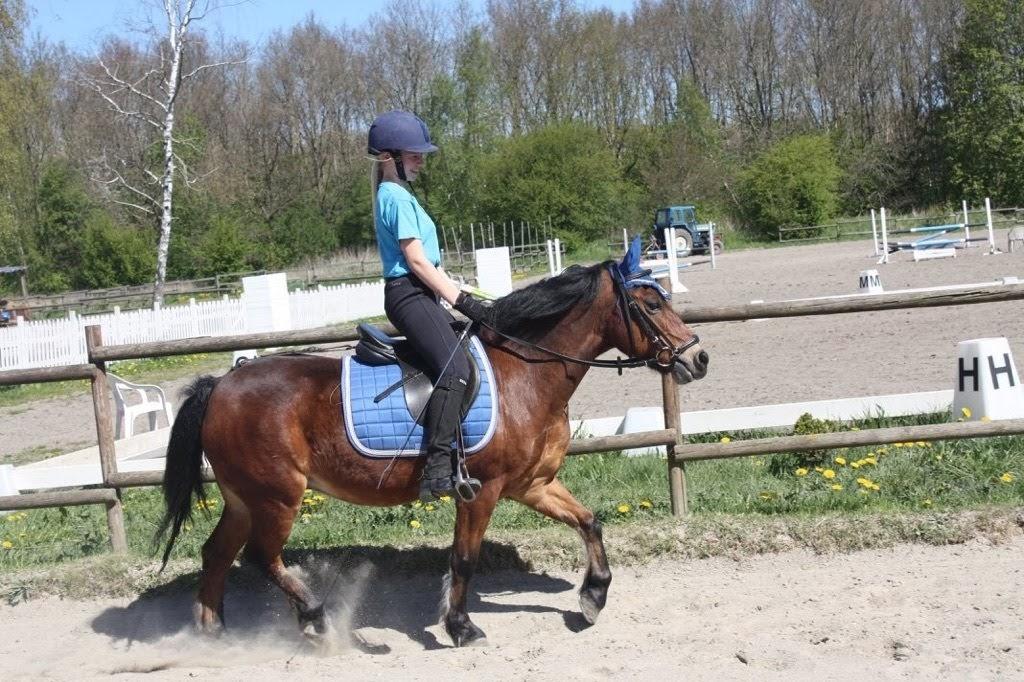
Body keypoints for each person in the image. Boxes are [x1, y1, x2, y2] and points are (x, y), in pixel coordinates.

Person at [368, 110, 490, 501]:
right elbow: (416, 261)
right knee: (454, 369)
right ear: (390, 157)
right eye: (414, 153)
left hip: (421, 292)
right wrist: (462, 301)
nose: (421, 159)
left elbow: (430, 263)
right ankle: (437, 469)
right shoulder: (396, 197)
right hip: (409, 294)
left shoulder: (400, 195)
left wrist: (458, 288)